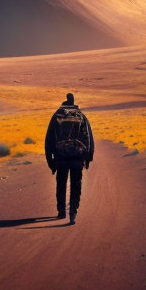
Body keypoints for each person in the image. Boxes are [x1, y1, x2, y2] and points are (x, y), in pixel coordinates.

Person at [44, 92, 94, 225]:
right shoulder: (81, 116)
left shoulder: (57, 116)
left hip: (61, 158)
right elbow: (89, 137)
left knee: (61, 184)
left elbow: (49, 140)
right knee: (76, 185)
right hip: (78, 157)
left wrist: (51, 162)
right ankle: (73, 213)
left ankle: (61, 212)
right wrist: (88, 158)